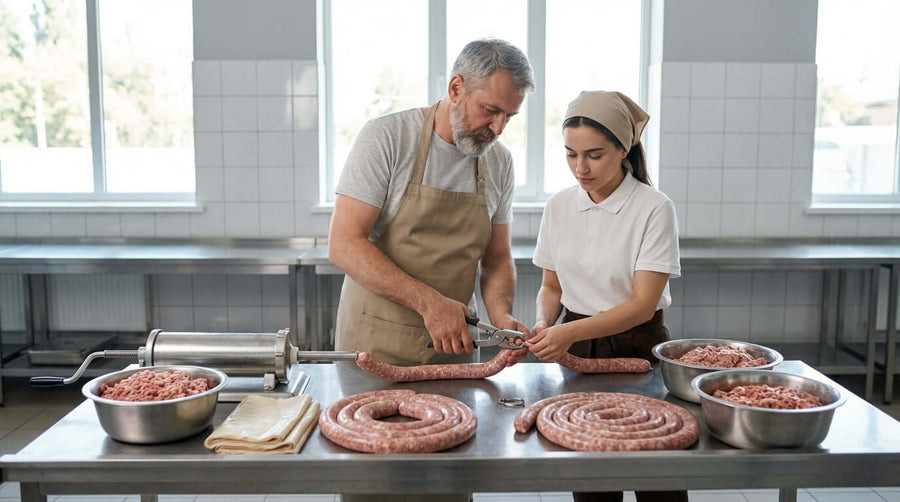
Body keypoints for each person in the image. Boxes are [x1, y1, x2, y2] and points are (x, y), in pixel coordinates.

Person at [327, 39, 534, 502]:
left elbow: (497, 258)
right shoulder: (387, 138)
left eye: (509, 117)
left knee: (446, 480)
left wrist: (500, 316)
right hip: (376, 348)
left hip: (451, 350)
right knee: (375, 481)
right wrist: (428, 302)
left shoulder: (497, 162)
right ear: (456, 87)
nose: (497, 127)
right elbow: (343, 244)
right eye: (490, 110)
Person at [527, 91, 685, 502]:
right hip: (577, 348)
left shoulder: (654, 208)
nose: (581, 168)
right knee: (593, 479)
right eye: (570, 154)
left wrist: (566, 332)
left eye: (594, 154)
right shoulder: (559, 207)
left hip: (638, 347)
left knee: (656, 475)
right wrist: (545, 323)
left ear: (623, 147)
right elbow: (552, 288)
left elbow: (641, 304)